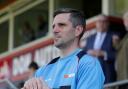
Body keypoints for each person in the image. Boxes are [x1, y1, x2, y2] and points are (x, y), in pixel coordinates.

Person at [21, 8, 104, 89]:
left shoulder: (89, 64)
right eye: (53, 26)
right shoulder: (41, 71)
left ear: (78, 30)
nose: (55, 30)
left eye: (61, 25)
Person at [84, 14, 117, 84]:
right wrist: (88, 54)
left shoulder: (114, 36)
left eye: (104, 21)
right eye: (99, 21)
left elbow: (118, 55)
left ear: (108, 24)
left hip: (107, 78)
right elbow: (84, 54)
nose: (101, 24)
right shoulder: (90, 38)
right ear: (96, 23)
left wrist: (103, 53)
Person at [113, 11, 128, 89]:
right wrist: (116, 43)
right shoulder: (125, 36)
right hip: (122, 77)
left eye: (125, 20)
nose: (124, 22)